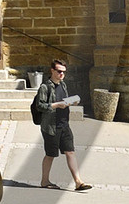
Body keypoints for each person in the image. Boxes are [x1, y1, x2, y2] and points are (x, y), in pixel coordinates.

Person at [34, 57, 89, 190]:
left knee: (70, 152)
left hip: (64, 124)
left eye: (64, 72)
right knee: (50, 154)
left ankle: (78, 182)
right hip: (51, 126)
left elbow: (64, 100)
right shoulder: (45, 87)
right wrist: (56, 105)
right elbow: (40, 106)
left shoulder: (63, 85)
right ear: (52, 70)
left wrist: (72, 101)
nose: (61, 74)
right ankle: (45, 181)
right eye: (59, 71)